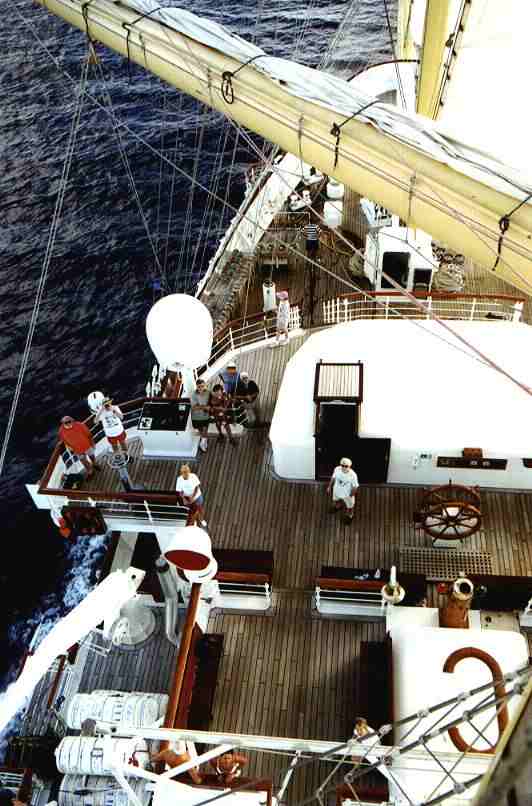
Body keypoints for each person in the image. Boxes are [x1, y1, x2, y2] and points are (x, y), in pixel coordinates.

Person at [326, 457, 359, 522]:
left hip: (347, 494)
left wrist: (351, 495)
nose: (344, 467)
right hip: (336, 491)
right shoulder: (337, 469)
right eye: (342, 465)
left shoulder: (353, 475)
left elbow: (355, 487)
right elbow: (333, 477)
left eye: (346, 466)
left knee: (350, 507)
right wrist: (329, 486)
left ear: (349, 466)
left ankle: (350, 516)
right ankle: (338, 507)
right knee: (336, 500)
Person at [191, 378, 211, 452]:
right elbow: (193, 408)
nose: (201, 388)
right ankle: (203, 441)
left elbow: (213, 397)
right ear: (197, 386)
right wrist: (204, 407)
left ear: (205, 385)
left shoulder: (208, 392)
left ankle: (202, 443)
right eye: (199, 386)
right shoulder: (193, 395)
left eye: (202, 386)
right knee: (201, 431)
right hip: (196, 417)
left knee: (205, 430)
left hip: (205, 416)